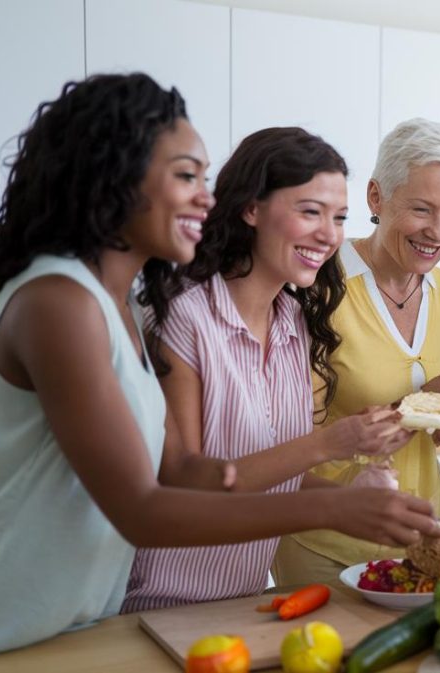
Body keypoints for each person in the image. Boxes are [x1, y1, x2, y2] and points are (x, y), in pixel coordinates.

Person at [0, 74, 440, 658]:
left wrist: (343, 486)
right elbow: (145, 507)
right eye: (186, 176)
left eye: (205, 179)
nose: (208, 198)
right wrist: (334, 499)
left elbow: (190, 471)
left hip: (77, 614)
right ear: (116, 175)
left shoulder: (118, 307)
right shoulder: (62, 304)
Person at [121, 127, 414, 612]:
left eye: (339, 217)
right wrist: (331, 444)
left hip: (243, 599)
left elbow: (267, 471)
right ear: (251, 209)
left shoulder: (294, 320)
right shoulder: (183, 314)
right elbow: (182, 478)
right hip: (157, 604)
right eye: (309, 211)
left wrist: (351, 495)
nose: (329, 234)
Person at [273, 118, 440, 585]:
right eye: (422, 209)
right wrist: (428, 400)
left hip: (423, 529)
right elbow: (290, 440)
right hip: (328, 540)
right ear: (376, 198)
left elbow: (423, 429)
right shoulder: (315, 286)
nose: (438, 232)